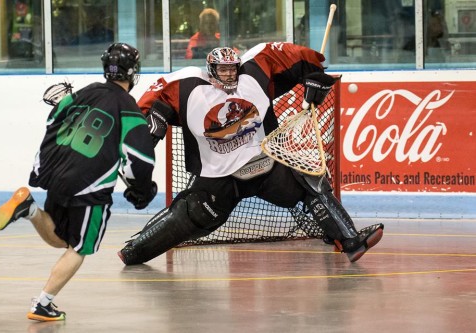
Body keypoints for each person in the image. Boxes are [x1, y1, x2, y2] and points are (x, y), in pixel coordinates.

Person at [118, 43, 384, 266]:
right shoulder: (186, 85)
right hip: (218, 177)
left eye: (233, 69)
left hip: (263, 163)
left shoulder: (255, 70)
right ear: (211, 70)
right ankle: (134, 251)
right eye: (222, 69)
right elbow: (145, 109)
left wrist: (316, 75)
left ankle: (350, 240)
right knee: (193, 214)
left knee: (310, 182)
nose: (229, 74)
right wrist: (152, 124)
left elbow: (304, 57)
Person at [0, 42, 157, 321]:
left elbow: (53, 123)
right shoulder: (129, 109)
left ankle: (29, 208)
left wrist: (40, 171)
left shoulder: (83, 92)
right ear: (133, 73)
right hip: (89, 187)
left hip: (58, 176)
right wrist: (142, 189)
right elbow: (140, 158)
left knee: (61, 240)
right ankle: (42, 304)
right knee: (81, 248)